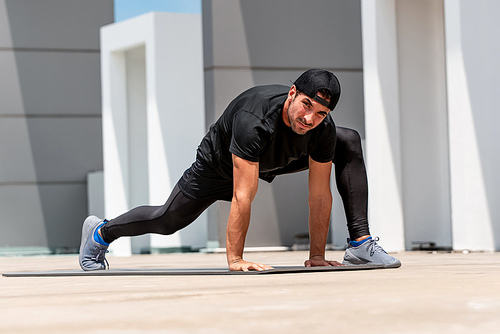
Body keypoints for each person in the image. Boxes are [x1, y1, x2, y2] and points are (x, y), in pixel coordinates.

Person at [79, 69, 401, 271]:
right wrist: (236, 259)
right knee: (168, 220)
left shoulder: (321, 128)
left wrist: (316, 256)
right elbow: (242, 195)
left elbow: (318, 195)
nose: (310, 118)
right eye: (306, 105)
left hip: (278, 156)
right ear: (292, 94)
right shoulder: (254, 118)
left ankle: (360, 244)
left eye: (320, 112)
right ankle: (100, 233)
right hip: (218, 165)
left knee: (348, 140)